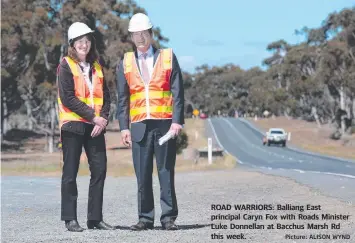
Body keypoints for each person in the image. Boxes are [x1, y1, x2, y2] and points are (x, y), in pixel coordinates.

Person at [117, 13, 184, 231]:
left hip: (164, 125)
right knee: (142, 174)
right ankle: (145, 218)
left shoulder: (167, 57)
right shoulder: (125, 62)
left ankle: (168, 218)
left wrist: (177, 122)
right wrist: (124, 127)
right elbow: (122, 98)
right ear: (131, 37)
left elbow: (178, 92)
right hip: (139, 127)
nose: (140, 38)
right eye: (136, 34)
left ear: (151, 34)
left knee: (165, 171)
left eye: (143, 33)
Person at [57, 22, 114, 232]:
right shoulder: (66, 65)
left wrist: (103, 119)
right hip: (73, 126)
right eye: (80, 41)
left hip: (95, 127)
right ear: (73, 44)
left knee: (99, 170)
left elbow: (106, 97)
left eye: (87, 40)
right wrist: (93, 117)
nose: (84, 44)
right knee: (70, 173)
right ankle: (70, 218)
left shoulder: (97, 66)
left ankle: (95, 218)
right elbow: (68, 98)